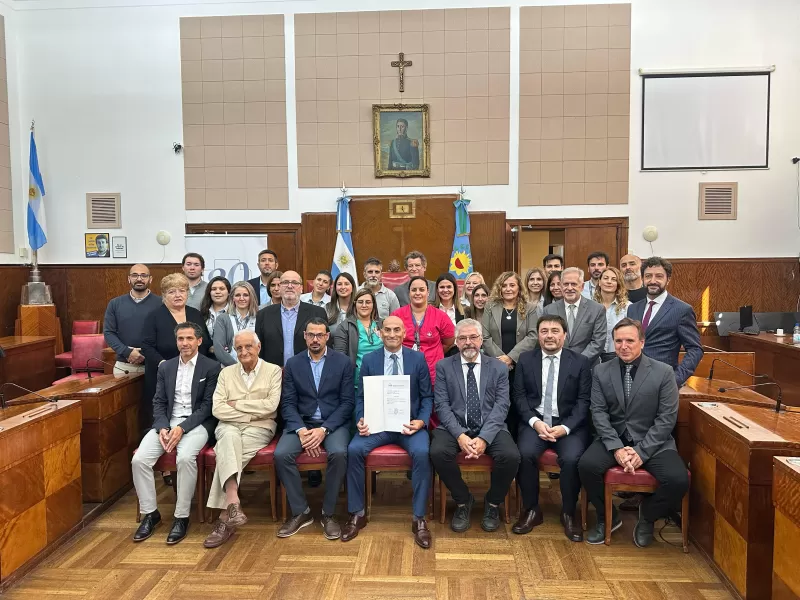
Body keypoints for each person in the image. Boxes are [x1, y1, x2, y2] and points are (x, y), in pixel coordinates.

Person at [578, 318, 689, 547]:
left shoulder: (664, 372)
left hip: (654, 442)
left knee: (678, 480)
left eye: (630, 340)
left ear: (642, 342)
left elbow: (666, 418)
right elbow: (598, 412)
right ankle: (607, 516)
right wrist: (617, 448)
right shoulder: (600, 371)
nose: (623, 346)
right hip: (613, 439)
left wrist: (642, 451)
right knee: (586, 466)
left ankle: (647, 516)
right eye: (618, 341)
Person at [342, 316, 434, 548]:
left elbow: (427, 397)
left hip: (408, 426)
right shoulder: (371, 360)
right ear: (380, 333)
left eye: (396, 330)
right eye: (387, 330)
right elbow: (361, 396)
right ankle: (357, 513)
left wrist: (422, 422)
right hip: (377, 425)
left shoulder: (418, 358)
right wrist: (361, 419)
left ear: (404, 334)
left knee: (423, 453)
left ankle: (419, 518)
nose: (392, 334)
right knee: (353, 450)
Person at [131, 322, 221, 545]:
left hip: (196, 425)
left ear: (199, 341)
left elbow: (207, 407)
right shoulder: (166, 367)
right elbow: (159, 401)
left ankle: (181, 517)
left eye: (190, 338)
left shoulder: (211, 367)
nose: (185, 343)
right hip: (167, 423)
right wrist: (162, 427)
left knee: (184, 458)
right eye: (181, 339)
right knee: (139, 460)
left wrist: (182, 429)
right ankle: (151, 514)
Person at [431, 319, 520, 533]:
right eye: (462, 338)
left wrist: (484, 438)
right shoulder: (443, 366)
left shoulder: (498, 367)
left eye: (473, 337)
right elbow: (441, 406)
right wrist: (460, 435)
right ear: (456, 341)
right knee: (437, 452)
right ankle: (463, 500)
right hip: (455, 427)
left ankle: (492, 503)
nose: (468, 342)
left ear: (481, 340)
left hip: (490, 426)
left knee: (511, 456)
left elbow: (502, 405)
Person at [512, 315, 591, 541]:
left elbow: (584, 401)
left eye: (555, 331)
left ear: (565, 335)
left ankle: (568, 511)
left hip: (568, 425)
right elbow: (519, 397)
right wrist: (535, 423)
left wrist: (565, 427)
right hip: (535, 421)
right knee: (524, 454)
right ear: (538, 335)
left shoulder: (581, 362)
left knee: (572, 458)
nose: (549, 335)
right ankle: (532, 509)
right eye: (544, 331)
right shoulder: (525, 360)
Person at [274, 318, 354, 540]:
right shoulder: (293, 363)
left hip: (332, 423)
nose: (315, 339)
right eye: (311, 335)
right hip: (302, 423)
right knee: (281, 454)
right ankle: (301, 511)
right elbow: (288, 403)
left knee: (339, 453)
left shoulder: (343, 362)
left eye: (320, 335)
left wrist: (324, 430)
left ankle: (328, 513)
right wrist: (300, 430)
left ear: (328, 336)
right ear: (305, 336)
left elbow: (347, 403)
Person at [203, 330, 282, 548]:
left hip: (260, 429)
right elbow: (218, 409)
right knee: (228, 437)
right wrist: (253, 411)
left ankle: (225, 514)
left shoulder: (273, 371)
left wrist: (236, 404)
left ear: (258, 347)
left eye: (248, 346)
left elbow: (271, 406)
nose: (244, 351)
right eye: (239, 348)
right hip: (228, 426)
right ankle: (232, 505)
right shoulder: (226, 373)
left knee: (226, 452)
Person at [141, 273, 212, 434]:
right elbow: (147, 346)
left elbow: (205, 341)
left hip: (194, 373)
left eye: (182, 290)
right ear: (164, 295)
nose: (178, 295)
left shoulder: (195, 314)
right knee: (163, 419)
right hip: (163, 374)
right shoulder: (154, 316)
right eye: (172, 292)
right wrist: (163, 364)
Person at [627, 257, 703, 388]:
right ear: (643, 279)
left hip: (663, 382)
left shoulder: (682, 310)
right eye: (648, 276)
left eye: (659, 276)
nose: (653, 281)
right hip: (632, 379)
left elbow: (695, 349)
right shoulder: (633, 308)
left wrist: (676, 379)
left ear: (668, 279)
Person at [481, 271, 539, 435]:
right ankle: (499, 435)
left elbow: (533, 335)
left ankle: (518, 438)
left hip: (521, 365)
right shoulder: (490, 307)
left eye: (512, 285)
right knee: (497, 402)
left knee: (518, 402)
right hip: (495, 364)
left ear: (519, 287)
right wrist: (500, 360)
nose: (508, 289)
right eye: (504, 285)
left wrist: (511, 358)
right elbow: (484, 336)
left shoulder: (530, 308)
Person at [391, 276, 455, 388]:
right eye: (414, 290)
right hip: (404, 371)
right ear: (408, 293)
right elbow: (390, 341)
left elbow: (448, 341)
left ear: (428, 292)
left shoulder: (440, 316)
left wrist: (433, 352)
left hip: (433, 372)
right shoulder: (397, 315)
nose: (417, 293)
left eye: (421, 289)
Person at [254, 270, 327, 368]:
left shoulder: (317, 312)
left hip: (308, 372)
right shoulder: (263, 314)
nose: (289, 286)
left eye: (294, 283)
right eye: (285, 282)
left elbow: (325, 346)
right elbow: (258, 349)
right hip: (273, 375)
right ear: (279, 287)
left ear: (301, 288)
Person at [104, 264, 161, 374]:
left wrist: (148, 353)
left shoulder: (161, 303)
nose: (139, 279)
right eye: (135, 275)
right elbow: (109, 333)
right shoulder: (115, 304)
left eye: (144, 275)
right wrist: (127, 352)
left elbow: (165, 333)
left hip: (154, 365)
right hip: (125, 365)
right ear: (129, 279)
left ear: (150, 279)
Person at [544, 267, 606, 365]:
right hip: (557, 365)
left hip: (586, 366)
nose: (569, 288)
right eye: (565, 284)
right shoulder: (549, 310)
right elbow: (546, 338)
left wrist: (578, 362)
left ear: (581, 287)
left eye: (573, 284)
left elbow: (598, 342)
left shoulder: (597, 309)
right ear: (560, 286)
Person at [333, 288, 383, 390]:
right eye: (360, 302)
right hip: (357, 383)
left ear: (373, 304)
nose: (364, 305)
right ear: (355, 304)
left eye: (368, 302)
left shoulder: (382, 324)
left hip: (382, 379)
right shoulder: (345, 327)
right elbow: (340, 358)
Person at [213, 281, 259, 367]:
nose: (241, 298)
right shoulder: (223, 319)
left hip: (256, 369)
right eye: (237, 295)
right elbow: (219, 349)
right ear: (232, 298)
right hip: (229, 369)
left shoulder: (259, 317)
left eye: (245, 295)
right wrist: (237, 367)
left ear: (251, 297)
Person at [594, 267, 631, 363]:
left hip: (618, 356)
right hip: (594, 357)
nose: (609, 282)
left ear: (618, 284)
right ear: (599, 282)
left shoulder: (627, 307)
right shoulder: (589, 306)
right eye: (606, 278)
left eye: (613, 279)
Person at [325, 272, 355, 337]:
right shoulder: (327, 308)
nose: (343, 287)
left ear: (352, 287)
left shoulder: (359, 308)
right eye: (339, 284)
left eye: (346, 284)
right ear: (335, 288)